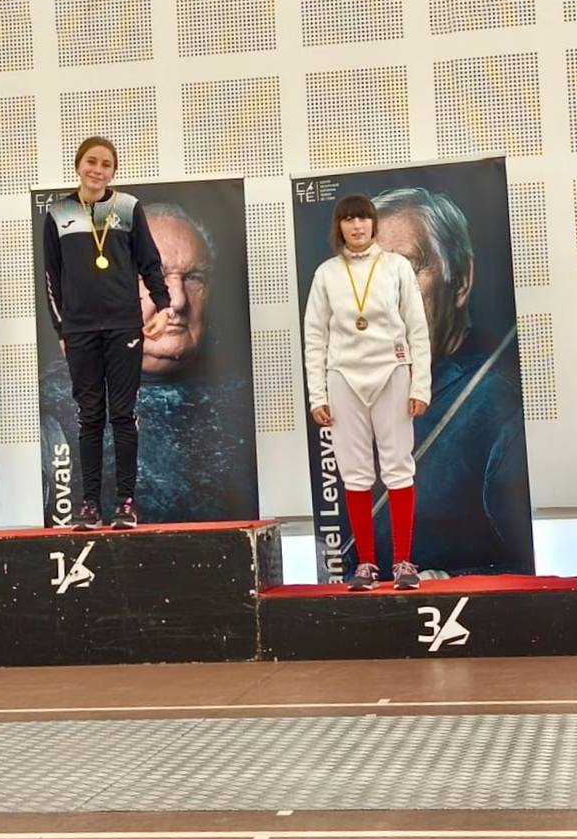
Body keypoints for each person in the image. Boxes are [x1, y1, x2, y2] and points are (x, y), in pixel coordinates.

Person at [39, 200, 257, 522]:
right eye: (154, 275)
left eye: (193, 277)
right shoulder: (49, 409)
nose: (178, 300)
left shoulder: (252, 405)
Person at [371, 187, 533, 575]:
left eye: (408, 268)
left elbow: (528, 570)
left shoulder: (499, 405)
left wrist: (448, 582)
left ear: (459, 280)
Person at [42, 135, 174, 529]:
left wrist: (163, 305)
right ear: (78, 165)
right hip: (80, 329)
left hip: (123, 325)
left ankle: (126, 503)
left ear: (113, 172)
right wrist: (62, 329)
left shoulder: (129, 207)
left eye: (106, 165)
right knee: (89, 416)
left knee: (123, 414)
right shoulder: (58, 213)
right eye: (91, 162)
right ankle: (89, 505)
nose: (97, 170)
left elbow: (149, 262)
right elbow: (51, 276)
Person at [304, 194, 432, 590]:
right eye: (349, 220)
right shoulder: (327, 273)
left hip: (392, 372)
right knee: (355, 472)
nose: (357, 226)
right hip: (343, 376)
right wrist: (318, 395)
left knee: (398, 466)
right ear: (339, 227)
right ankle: (366, 565)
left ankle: (403, 562)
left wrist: (420, 385)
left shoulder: (395, 266)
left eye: (363, 219)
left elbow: (417, 328)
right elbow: (315, 336)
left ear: (373, 224)